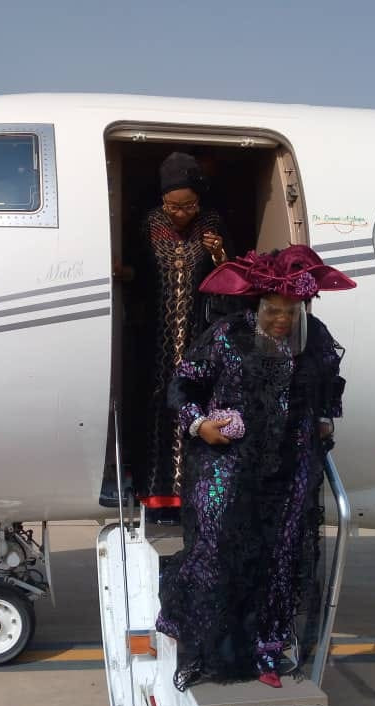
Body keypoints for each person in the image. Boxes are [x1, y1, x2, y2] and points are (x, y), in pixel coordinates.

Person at [155, 245, 355, 690]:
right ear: (257, 306)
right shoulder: (227, 336)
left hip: (291, 467)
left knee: (280, 556)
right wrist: (200, 424)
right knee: (216, 550)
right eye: (273, 311)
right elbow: (182, 385)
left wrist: (321, 422)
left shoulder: (315, 337)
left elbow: (328, 386)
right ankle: (200, 645)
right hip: (228, 462)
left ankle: (266, 646)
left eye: (291, 311)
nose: (282, 320)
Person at [133, 152, 231, 518]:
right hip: (154, 335)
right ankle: (155, 496)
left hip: (195, 332)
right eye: (173, 206)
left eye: (187, 205)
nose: (180, 213)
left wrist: (219, 253)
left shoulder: (211, 223)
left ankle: (190, 494)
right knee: (157, 409)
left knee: (194, 403)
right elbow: (137, 268)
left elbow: (229, 276)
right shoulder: (150, 224)